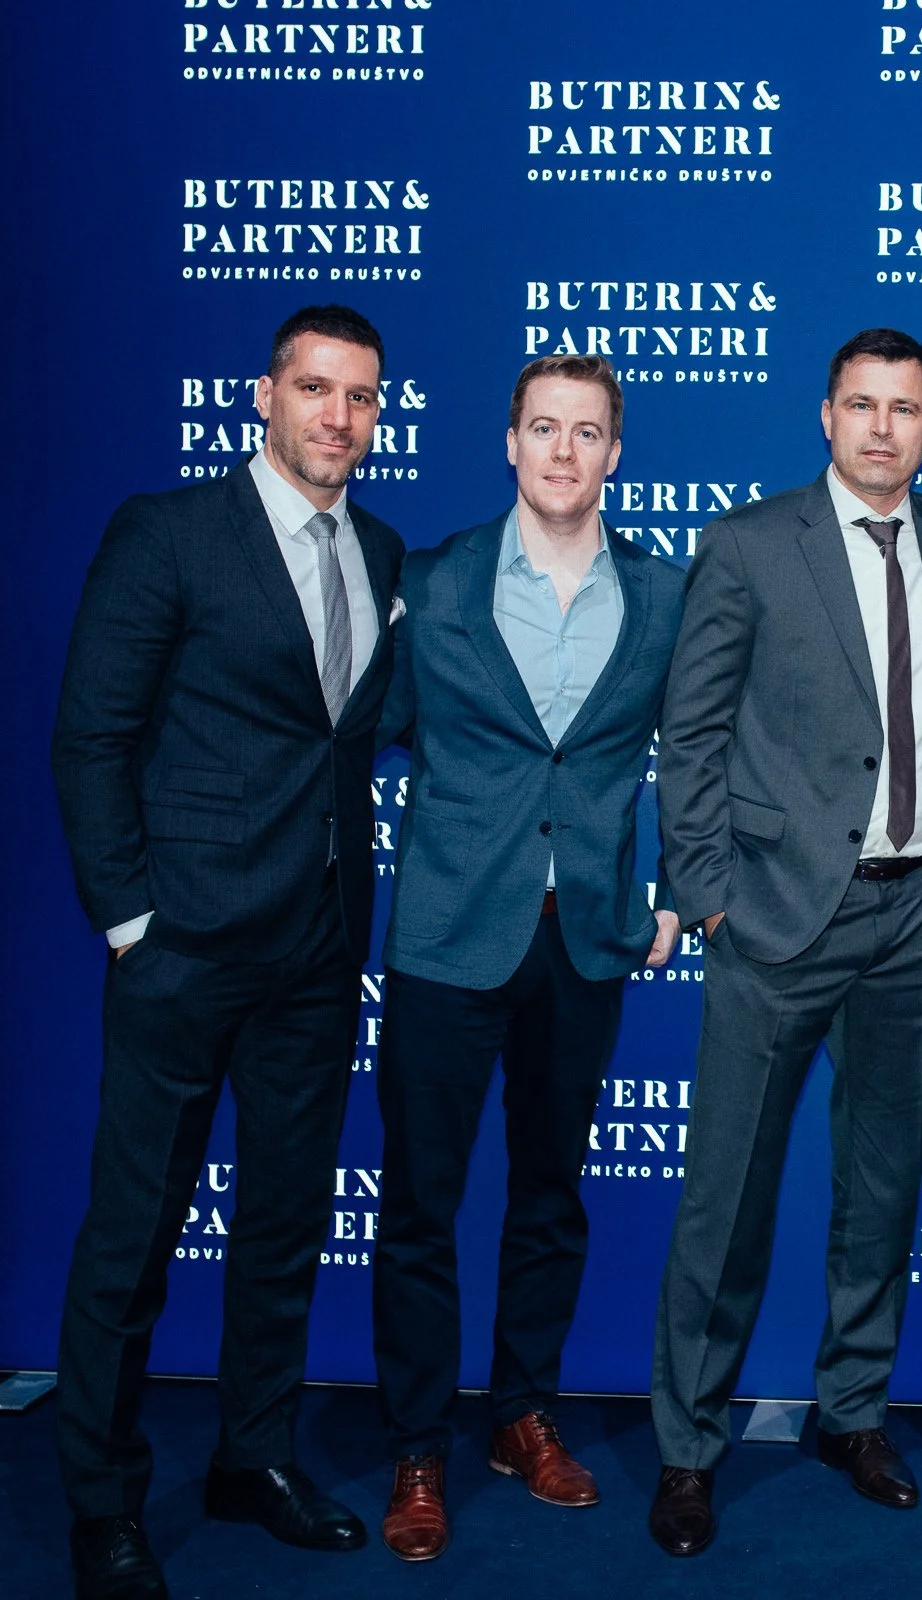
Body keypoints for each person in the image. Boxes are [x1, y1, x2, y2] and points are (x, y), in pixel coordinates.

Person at [50, 305, 405, 1599]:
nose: (337, 417)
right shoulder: (171, 532)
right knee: (132, 1236)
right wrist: (134, 922)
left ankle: (251, 1459)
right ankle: (100, 1500)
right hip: (184, 949)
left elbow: (343, 739)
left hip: (316, 951)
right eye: (315, 389)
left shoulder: (379, 545)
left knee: (281, 1227)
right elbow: (89, 737)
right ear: (266, 396)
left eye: (360, 397)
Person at [646, 328, 922, 1556]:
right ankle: (689, 1446)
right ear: (825, 414)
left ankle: (852, 1412)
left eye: (906, 408)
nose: (883, 427)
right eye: (862, 404)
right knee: (726, 1193)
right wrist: (707, 889)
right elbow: (687, 735)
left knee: (880, 1185)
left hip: (915, 914)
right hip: (779, 916)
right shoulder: (745, 544)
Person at [368, 355, 687, 1561]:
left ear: (616, 452)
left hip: (587, 940)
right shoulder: (432, 581)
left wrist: (678, 895)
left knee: (549, 1194)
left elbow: (702, 752)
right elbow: (360, 734)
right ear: (508, 442)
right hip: (450, 935)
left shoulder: (662, 594)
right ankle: (414, 1445)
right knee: (419, 1204)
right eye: (543, 428)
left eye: (587, 431)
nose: (563, 451)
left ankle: (522, 1412)